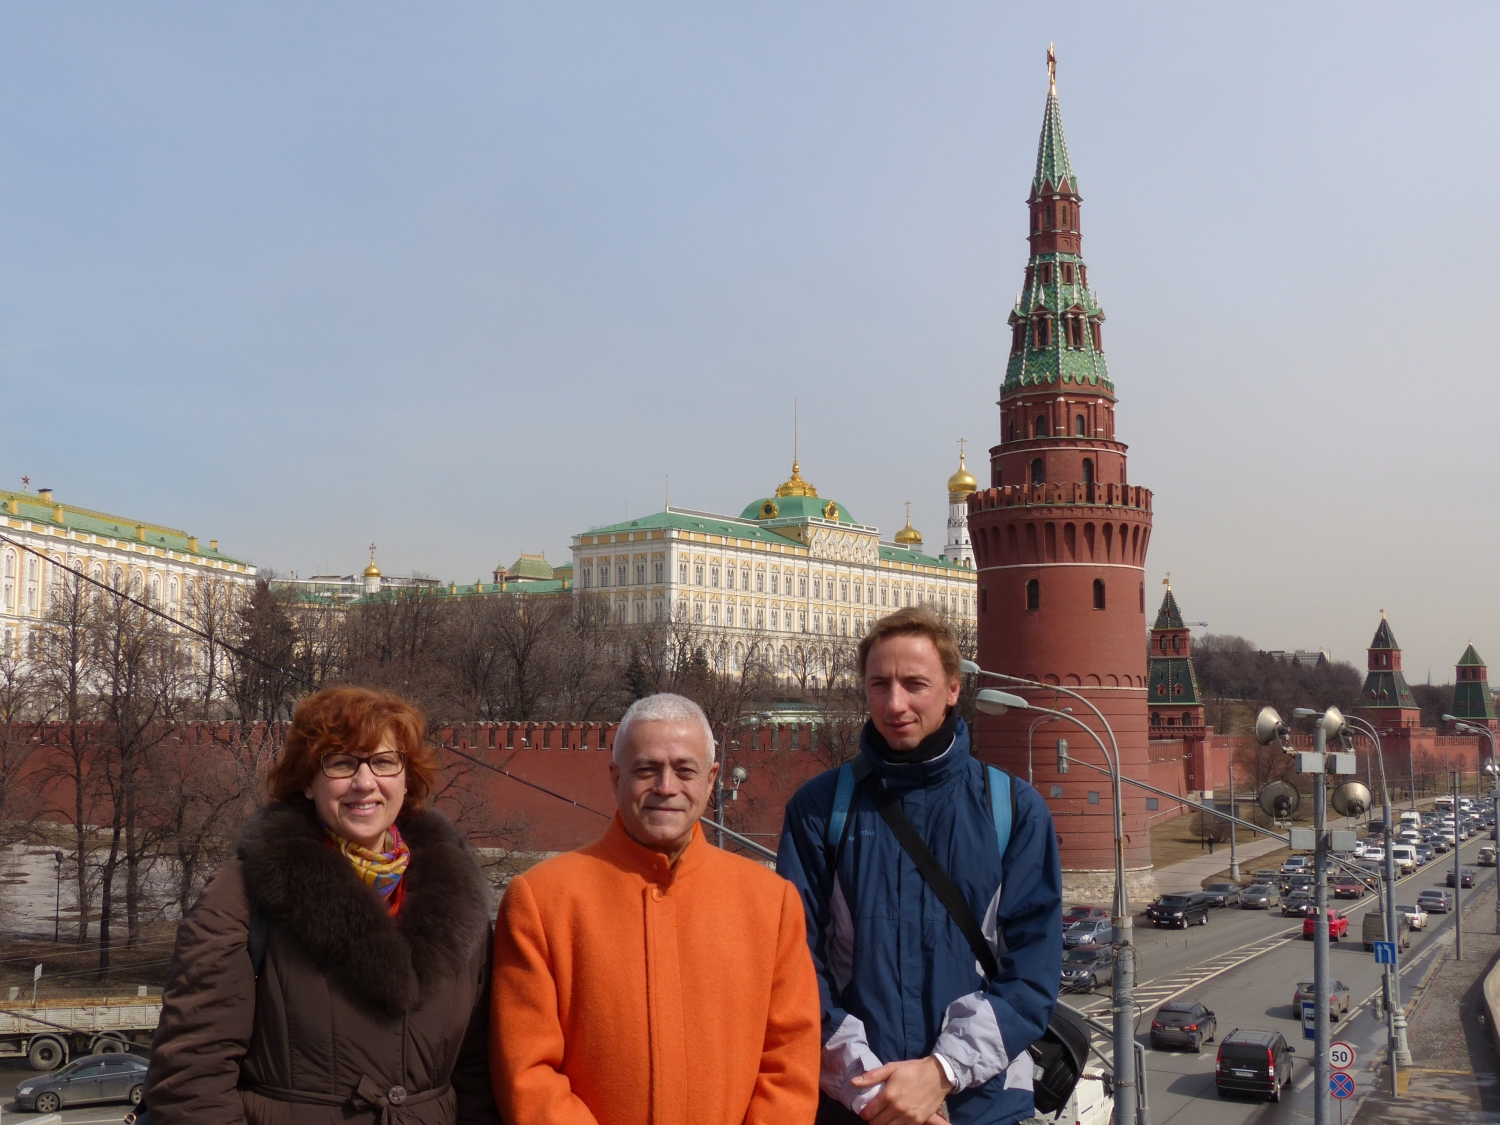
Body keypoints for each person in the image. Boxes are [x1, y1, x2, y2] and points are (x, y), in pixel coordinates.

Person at [144, 686, 501, 1125]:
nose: (365, 782)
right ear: (308, 782)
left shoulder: (459, 896)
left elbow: (478, 1073)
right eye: (341, 763)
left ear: (407, 779)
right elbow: (192, 1078)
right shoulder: (241, 894)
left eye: (384, 762)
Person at [778, 608, 1063, 1125]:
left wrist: (940, 1073)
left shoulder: (1013, 809)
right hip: (855, 1106)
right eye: (879, 684)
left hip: (981, 1107)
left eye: (915, 684)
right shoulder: (819, 808)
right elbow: (796, 968)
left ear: (953, 689)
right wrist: (876, 1094)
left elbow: (1032, 976)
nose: (895, 704)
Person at [491, 692, 822, 1125]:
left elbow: (791, 1062)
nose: (666, 787)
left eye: (685, 770)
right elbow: (528, 1073)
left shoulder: (770, 902)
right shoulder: (542, 900)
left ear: (711, 779)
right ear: (615, 778)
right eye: (646, 770)